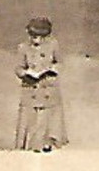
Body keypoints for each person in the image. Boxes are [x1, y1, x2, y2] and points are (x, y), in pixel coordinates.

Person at [14, 16, 68, 151]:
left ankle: (49, 144)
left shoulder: (53, 45)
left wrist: (51, 70)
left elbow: (60, 63)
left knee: (48, 119)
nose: (35, 39)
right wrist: (26, 73)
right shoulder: (23, 48)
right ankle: (28, 146)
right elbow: (18, 68)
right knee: (30, 120)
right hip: (31, 89)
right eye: (33, 36)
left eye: (39, 36)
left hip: (48, 89)